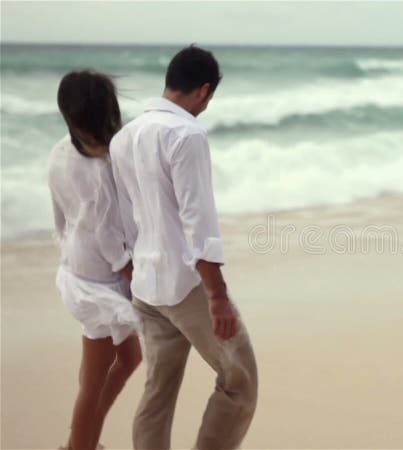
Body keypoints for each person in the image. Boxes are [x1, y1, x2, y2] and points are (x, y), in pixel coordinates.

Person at [109, 45, 258, 450]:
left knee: (158, 392)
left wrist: (133, 274)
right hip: (185, 285)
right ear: (203, 90)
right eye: (208, 99)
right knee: (239, 381)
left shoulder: (124, 137)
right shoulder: (186, 134)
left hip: (146, 285)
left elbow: (123, 219)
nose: (205, 107)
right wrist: (217, 296)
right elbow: (198, 222)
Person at [49, 70, 142, 450]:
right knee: (94, 378)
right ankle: (79, 444)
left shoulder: (59, 152)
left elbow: (60, 217)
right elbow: (107, 238)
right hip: (99, 282)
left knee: (128, 358)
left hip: (77, 265)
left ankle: (84, 438)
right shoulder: (103, 167)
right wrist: (133, 276)